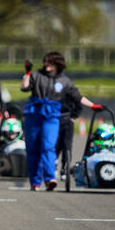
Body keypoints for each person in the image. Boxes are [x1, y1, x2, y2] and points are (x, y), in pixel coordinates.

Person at [21, 51, 103, 192]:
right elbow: (25, 87)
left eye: (50, 62)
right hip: (34, 113)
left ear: (57, 65)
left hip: (52, 114)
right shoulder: (36, 75)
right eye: (45, 61)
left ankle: (49, 179)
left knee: (49, 146)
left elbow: (78, 97)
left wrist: (93, 105)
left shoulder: (65, 81)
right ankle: (35, 181)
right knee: (33, 148)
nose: (46, 64)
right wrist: (27, 72)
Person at [55, 89, 84, 180]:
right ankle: (52, 168)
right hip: (54, 120)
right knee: (54, 145)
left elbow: (79, 104)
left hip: (67, 120)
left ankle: (64, 169)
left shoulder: (70, 90)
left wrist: (74, 116)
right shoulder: (52, 88)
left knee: (66, 146)